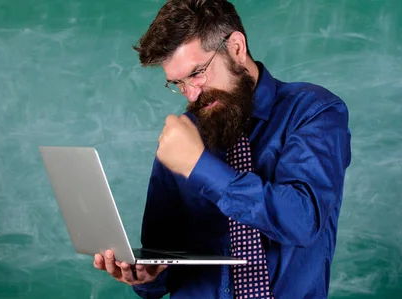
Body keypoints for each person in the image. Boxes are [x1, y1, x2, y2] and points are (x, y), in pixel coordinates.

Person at [93, 0, 352, 298]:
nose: (191, 94)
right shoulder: (184, 134)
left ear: (237, 48)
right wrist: (146, 277)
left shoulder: (313, 111)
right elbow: (162, 265)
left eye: (196, 73)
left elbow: (303, 221)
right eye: (177, 83)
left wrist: (200, 166)